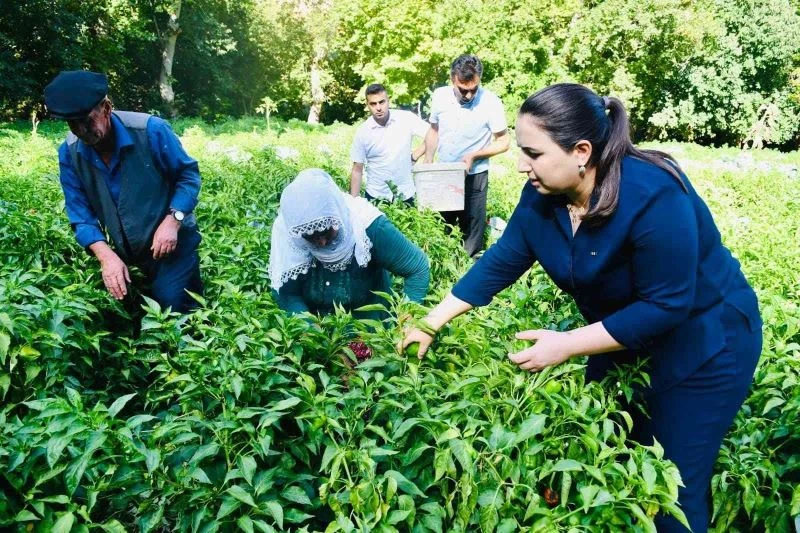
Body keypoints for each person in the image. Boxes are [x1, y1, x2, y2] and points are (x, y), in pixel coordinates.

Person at [402, 83, 762, 533]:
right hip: (622, 335)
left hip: (706, 343)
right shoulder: (544, 194)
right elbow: (503, 258)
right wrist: (431, 323)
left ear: (581, 151)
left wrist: (568, 344)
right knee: (608, 453)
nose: (520, 165)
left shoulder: (653, 194)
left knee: (671, 487)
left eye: (533, 153)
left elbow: (666, 305)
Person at [44, 70, 203, 313]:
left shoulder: (151, 130)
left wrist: (174, 220)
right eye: (71, 123)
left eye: (86, 120)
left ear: (106, 108)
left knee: (174, 312)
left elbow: (188, 175)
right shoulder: (69, 152)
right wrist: (106, 257)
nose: (80, 130)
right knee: (117, 315)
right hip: (125, 252)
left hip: (173, 246)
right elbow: (80, 215)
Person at [270, 169, 430, 321]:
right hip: (319, 338)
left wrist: (407, 320)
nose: (322, 242)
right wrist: (310, 329)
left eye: (326, 231)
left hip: (372, 334)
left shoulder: (367, 225)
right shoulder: (288, 233)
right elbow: (287, 293)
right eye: (310, 236)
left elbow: (417, 268)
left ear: (337, 215)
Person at [423, 54, 510, 257]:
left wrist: (475, 155)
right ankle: (443, 269)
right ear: (453, 78)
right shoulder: (439, 96)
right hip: (445, 173)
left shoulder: (491, 102)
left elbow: (504, 142)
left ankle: (467, 270)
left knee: (472, 230)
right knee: (442, 226)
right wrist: (428, 161)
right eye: (463, 90)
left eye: (474, 90)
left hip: (475, 175)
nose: (469, 96)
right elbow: (434, 130)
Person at [350, 84, 429, 205]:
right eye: (373, 104)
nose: (378, 107)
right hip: (376, 196)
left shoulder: (405, 119)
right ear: (368, 105)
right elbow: (357, 170)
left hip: (406, 194)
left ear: (388, 101)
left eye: (382, 102)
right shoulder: (363, 132)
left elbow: (433, 134)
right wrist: (353, 204)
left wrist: (415, 155)